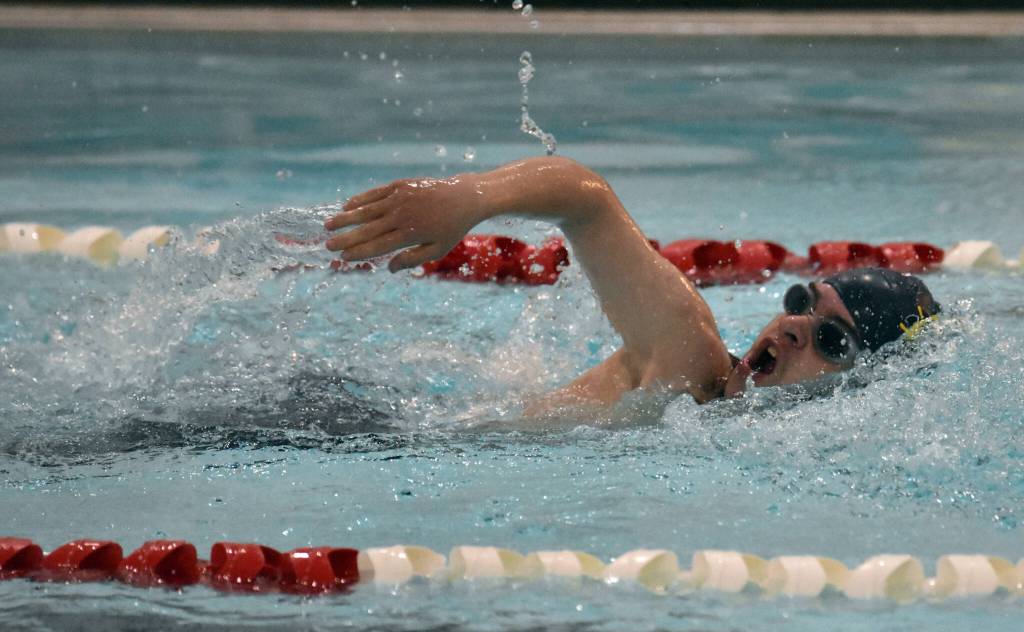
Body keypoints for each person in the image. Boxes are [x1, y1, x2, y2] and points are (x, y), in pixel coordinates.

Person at [323, 156, 939, 412]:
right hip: (358, 434)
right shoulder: (689, 358)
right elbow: (584, 200)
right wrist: (470, 197)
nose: (795, 325)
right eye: (803, 302)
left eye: (833, 339)